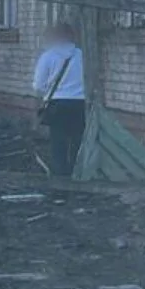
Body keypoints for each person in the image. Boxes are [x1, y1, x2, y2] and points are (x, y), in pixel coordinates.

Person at [32, 22, 86, 176]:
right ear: (72, 36)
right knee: (78, 143)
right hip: (79, 105)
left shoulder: (48, 56)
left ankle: (60, 182)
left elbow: (39, 86)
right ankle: (77, 176)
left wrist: (36, 110)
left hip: (57, 105)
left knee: (58, 145)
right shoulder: (82, 55)